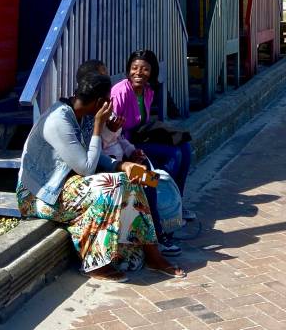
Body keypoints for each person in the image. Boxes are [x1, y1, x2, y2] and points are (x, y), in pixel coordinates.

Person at [17, 72, 185, 280]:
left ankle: (153, 253)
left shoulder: (83, 115)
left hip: (68, 183)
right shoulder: (58, 120)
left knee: (128, 181)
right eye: (108, 100)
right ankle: (94, 263)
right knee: (112, 185)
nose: (110, 104)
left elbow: (92, 155)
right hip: (39, 195)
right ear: (99, 102)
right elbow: (86, 168)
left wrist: (122, 165)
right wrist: (98, 126)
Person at [111, 50, 196, 223]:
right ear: (128, 70)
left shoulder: (148, 91)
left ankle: (176, 202)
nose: (139, 73)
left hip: (141, 136)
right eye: (134, 68)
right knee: (174, 154)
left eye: (145, 69)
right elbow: (113, 132)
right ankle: (161, 203)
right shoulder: (120, 93)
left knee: (185, 148)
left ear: (152, 72)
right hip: (125, 143)